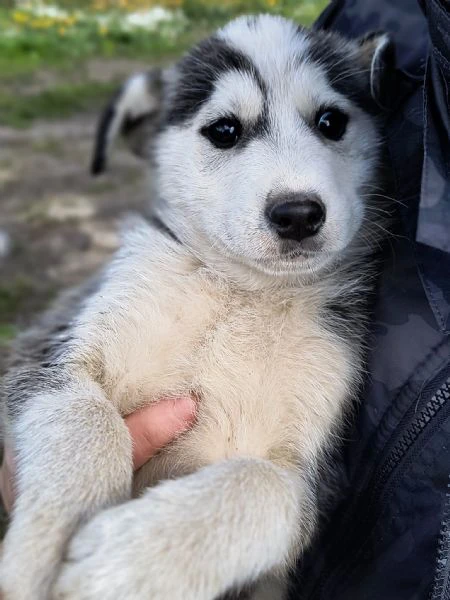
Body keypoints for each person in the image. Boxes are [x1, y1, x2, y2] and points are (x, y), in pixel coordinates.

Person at [1, 0, 449, 598]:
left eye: (329, 123)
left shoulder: (335, 319)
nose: (297, 192)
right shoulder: (155, 272)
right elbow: (46, 379)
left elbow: (295, 489)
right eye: (225, 131)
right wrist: (70, 479)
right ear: (152, 137)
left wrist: (224, 519)